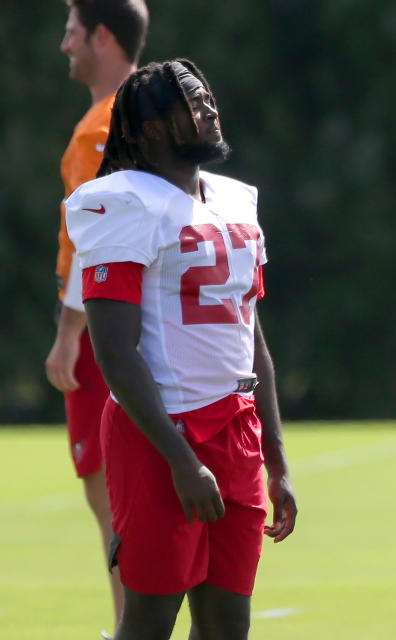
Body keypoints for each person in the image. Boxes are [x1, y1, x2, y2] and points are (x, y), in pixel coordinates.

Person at [64, 58, 298, 640]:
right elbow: (115, 354)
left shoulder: (235, 201)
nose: (209, 108)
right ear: (149, 130)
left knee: (227, 627)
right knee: (149, 620)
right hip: (160, 434)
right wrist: (181, 459)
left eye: (208, 97)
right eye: (191, 103)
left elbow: (252, 337)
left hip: (235, 428)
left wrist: (277, 457)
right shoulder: (121, 202)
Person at [45, 1, 149, 633]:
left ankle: (130, 626)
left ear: (102, 35)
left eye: (72, 31)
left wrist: (65, 338)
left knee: (110, 494)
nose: (64, 45)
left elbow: (93, 241)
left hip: (105, 326)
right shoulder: (160, 112)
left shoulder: (96, 131)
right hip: (161, 322)